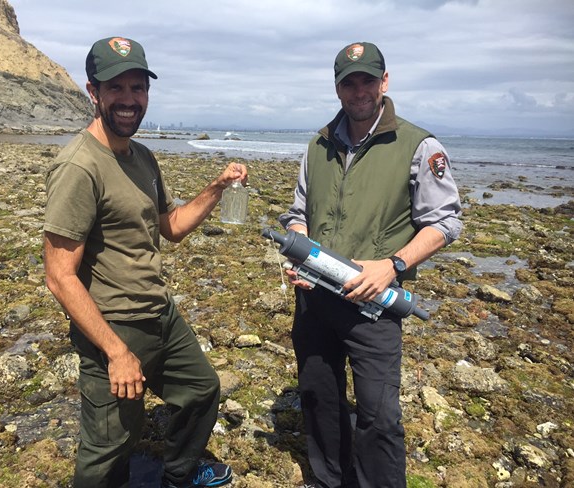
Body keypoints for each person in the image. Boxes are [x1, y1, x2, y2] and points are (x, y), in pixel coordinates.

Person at [43, 36, 247, 488]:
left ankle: (178, 474)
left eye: (138, 88)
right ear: (94, 91)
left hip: (160, 312)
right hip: (113, 325)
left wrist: (216, 187)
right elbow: (59, 276)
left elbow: (170, 226)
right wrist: (116, 352)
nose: (129, 100)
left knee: (201, 390)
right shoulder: (79, 167)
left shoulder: (142, 157)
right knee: (110, 447)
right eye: (117, 88)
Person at [279, 42, 462, 488]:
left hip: (374, 305)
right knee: (318, 398)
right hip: (314, 298)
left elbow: (445, 222)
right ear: (338, 87)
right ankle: (328, 480)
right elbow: (298, 210)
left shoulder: (419, 146)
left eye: (367, 79)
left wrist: (392, 264)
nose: (358, 90)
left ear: (384, 81)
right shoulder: (317, 144)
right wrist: (298, 238)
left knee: (379, 416)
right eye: (348, 81)